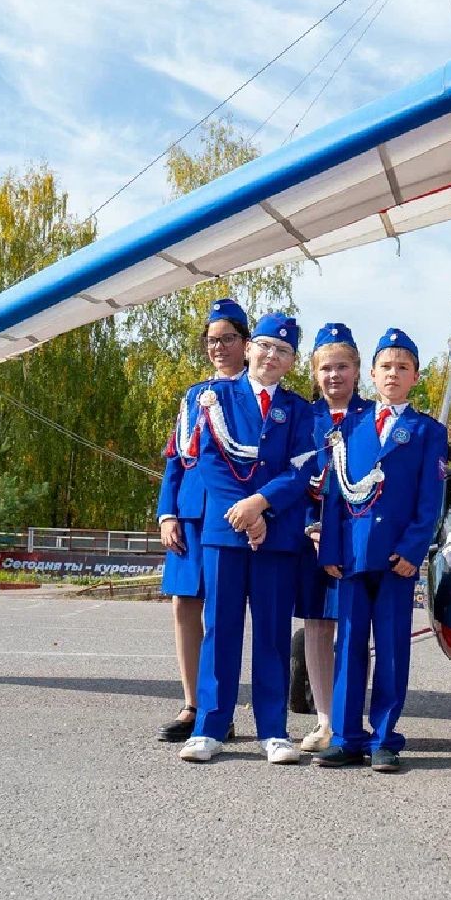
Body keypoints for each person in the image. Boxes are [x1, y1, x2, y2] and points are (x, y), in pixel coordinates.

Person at [176, 313, 317, 765]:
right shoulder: (214, 397)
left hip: (276, 533)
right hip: (226, 531)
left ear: (291, 361)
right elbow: (208, 460)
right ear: (250, 348)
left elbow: (301, 469)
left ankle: (273, 730)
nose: (271, 356)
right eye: (265, 346)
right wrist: (243, 514)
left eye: (283, 351)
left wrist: (260, 506)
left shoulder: (299, 410)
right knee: (220, 629)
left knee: (273, 634)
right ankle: (209, 727)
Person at [314, 329, 449, 773]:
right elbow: (334, 494)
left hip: (396, 559)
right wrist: (331, 550)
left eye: (402, 367)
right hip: (353, 556)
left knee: (391, 649)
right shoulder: (348, 428)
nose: (393, 374)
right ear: (371, 374)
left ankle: (385, 738)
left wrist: (413, 549)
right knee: (349, 645)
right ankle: (345, 737)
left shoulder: (428, 431)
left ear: (415, 376)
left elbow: (430, 500)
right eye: (386, 366)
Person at [156, 297, 249, 745]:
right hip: (190, 514)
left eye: (228, 339)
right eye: (212, 340)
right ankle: (192, 703)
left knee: (223, 612)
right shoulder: (194, 395)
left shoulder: (254, 393)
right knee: (184, 605)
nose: (218, 348)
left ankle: (218, 710)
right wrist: (167, 513)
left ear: (246, 343)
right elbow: (176, 457)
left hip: (230, 514)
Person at [294, 323, 372, 753]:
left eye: (342, 366)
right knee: (318, 624)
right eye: (325, 368)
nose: (334, 375)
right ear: (315, 373)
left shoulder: (373, 417)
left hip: (358, 539)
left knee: (355, 627)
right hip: (312, 539)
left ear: (357, 370)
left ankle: (350, 718)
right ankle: (325, 719)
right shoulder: (304, 419)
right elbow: (292, 479)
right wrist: (312, 525)